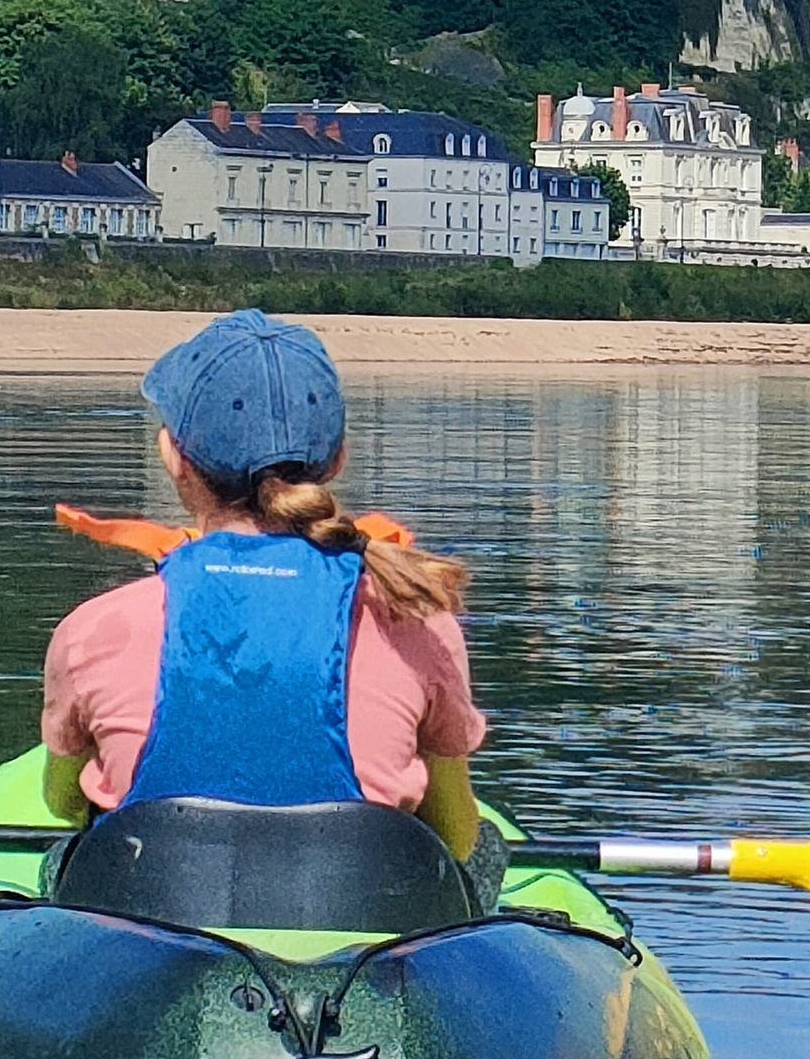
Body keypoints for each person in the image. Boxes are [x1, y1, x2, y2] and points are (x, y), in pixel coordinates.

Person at [40, 309, 487, 861]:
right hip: (354, 923)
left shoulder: (95, 627)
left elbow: (61, 802)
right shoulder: (415, 615)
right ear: (339, 457)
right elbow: (456, 833)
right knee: (484, 848)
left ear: (173, 456)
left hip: (157, 918)